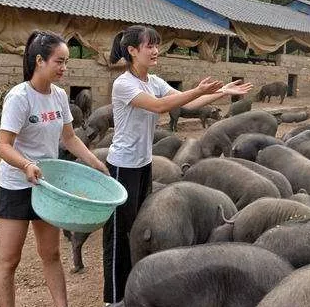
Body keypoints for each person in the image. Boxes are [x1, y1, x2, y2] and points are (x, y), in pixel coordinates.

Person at [102, 25, 253, 304]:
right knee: (117, 235)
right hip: (122, 166)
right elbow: (160, 107)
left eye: (157, 45)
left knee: (137, 229)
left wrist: (223, 92)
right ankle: (112, 298)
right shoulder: (124, 84)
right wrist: (196, 89)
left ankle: (135, 291)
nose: (156, 51)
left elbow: (188, 106)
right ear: (132, 51)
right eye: (150, 46)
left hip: (142, 164)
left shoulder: (154, 81)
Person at [0, 30, 109, 307]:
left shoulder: (59, 97)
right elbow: (3, 146)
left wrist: (95, 163)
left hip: (48, 186)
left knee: (52, 254)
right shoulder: (19, 97)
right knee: (9, 260)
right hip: (17, 185)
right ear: (39, 61)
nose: (64, 68)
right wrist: (26, 164)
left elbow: (69, 138)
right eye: (59, 61)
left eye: (66, 62)